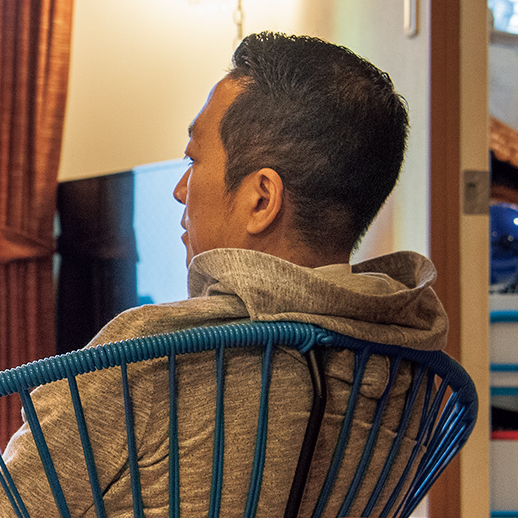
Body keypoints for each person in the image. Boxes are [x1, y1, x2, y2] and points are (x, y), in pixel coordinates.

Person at [0, 32, 447, 517]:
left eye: (194, 159)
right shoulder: (412, 365)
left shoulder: (150, 356)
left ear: (261, 199)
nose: (179, 189)